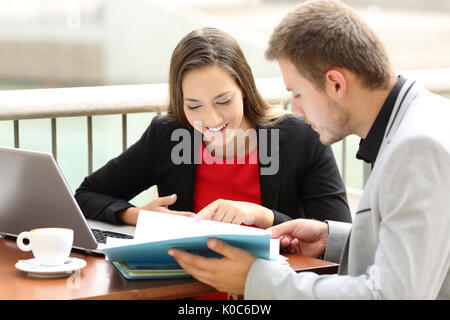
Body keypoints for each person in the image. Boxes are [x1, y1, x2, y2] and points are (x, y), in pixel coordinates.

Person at [168, 0, 450, 299]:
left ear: (336, 84)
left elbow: (391, 296)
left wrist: (256, 280)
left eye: (298, 93)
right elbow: (420, 245)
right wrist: (331, 239)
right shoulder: (424, 117)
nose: (297, 110)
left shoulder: (416, 149)